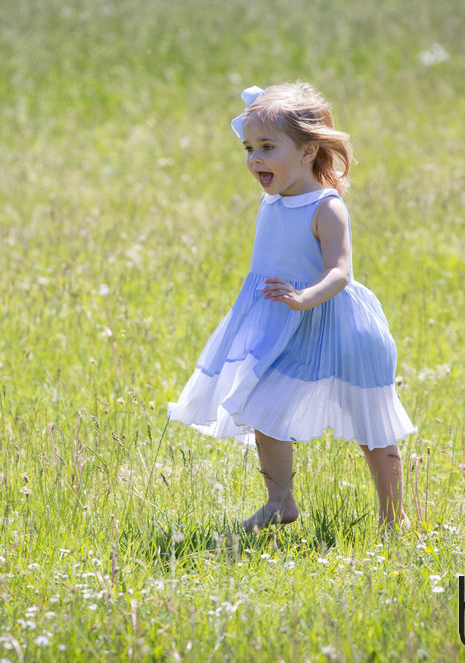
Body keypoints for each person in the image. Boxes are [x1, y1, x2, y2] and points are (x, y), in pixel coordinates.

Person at [167, 82, 416, 533]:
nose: (255, 158)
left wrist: (305, 297)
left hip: (339, 325)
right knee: (262, 404)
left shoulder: (326, 208)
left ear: (307, 152)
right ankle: (280, 501)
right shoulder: (271, 202)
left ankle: (393, 517)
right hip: (286, 326)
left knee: (371, 426)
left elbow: (339, 272)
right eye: (249, 148)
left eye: (267, 147)